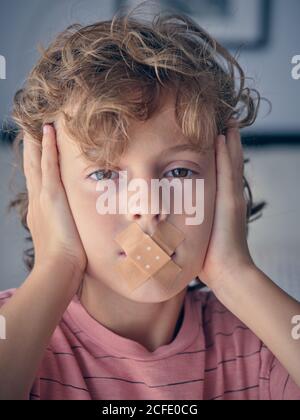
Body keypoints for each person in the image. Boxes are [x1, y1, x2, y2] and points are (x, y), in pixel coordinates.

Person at [0, 3, 299, 400]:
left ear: (223, 190)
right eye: (105, 175)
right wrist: (56, 266)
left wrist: (236, 275)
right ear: (50, 195)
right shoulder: (18, 331)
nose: (149, 207)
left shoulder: (263, 344)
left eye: (178, 172)